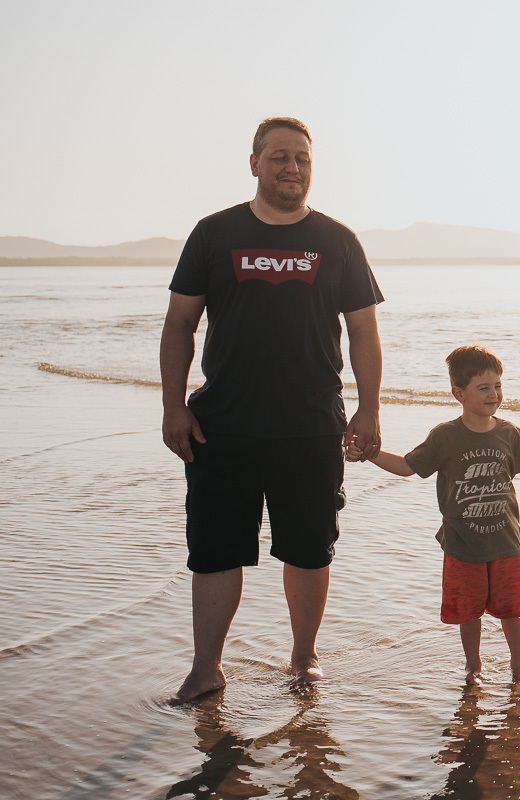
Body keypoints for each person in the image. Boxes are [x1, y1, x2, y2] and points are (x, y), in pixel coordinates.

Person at [160, 117, 384, 704]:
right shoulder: (214, 233)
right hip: (222, 425)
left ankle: (303, 660)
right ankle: (206, 669)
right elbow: (180, 324)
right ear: (254, 162)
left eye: (302, 159)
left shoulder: (337, 241)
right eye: (279, 156)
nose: (292, 167)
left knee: (309, 549)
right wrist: (172, 406)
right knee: (214, 551)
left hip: (310, 424)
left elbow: (363, 331)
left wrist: (369, 409)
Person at [348, 345, 520, 685]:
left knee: (513, 611)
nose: (494, 394)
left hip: (505, 544)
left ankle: (519, 666)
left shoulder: (509, 434)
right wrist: (369, 453)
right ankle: (473, 667)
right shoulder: (445, 436)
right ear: (459, 393)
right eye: (484, 388)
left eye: (498, 385)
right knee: (469, 613)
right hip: (462, 545)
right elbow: (408, 467)